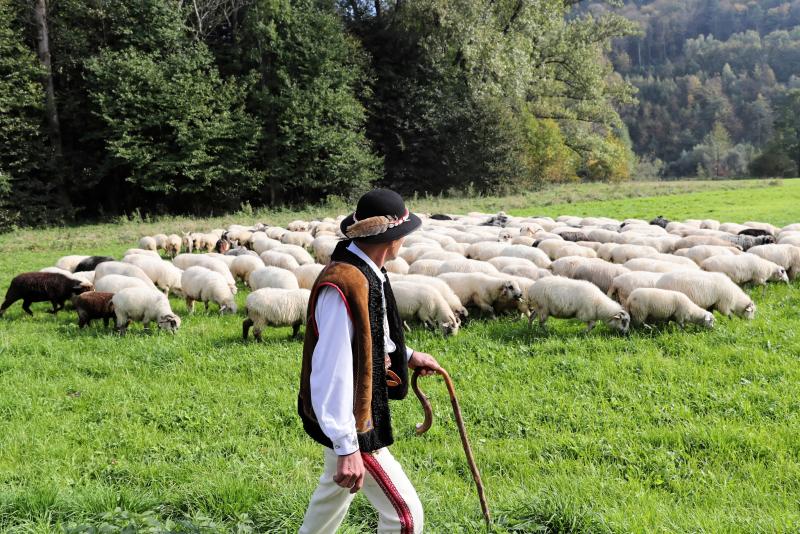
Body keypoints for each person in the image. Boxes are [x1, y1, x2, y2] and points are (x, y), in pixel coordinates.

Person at [298, 189, 442, 533]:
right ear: (389, 239)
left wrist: (405, 356)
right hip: (354, 421)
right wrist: (348, 445)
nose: (404, 242)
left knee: (332, 499)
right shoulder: (343, 283)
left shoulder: (367, 272)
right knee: (405, 516)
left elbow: (368, 336)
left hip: (349, 418)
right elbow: (331, 367)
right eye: (403, 236)